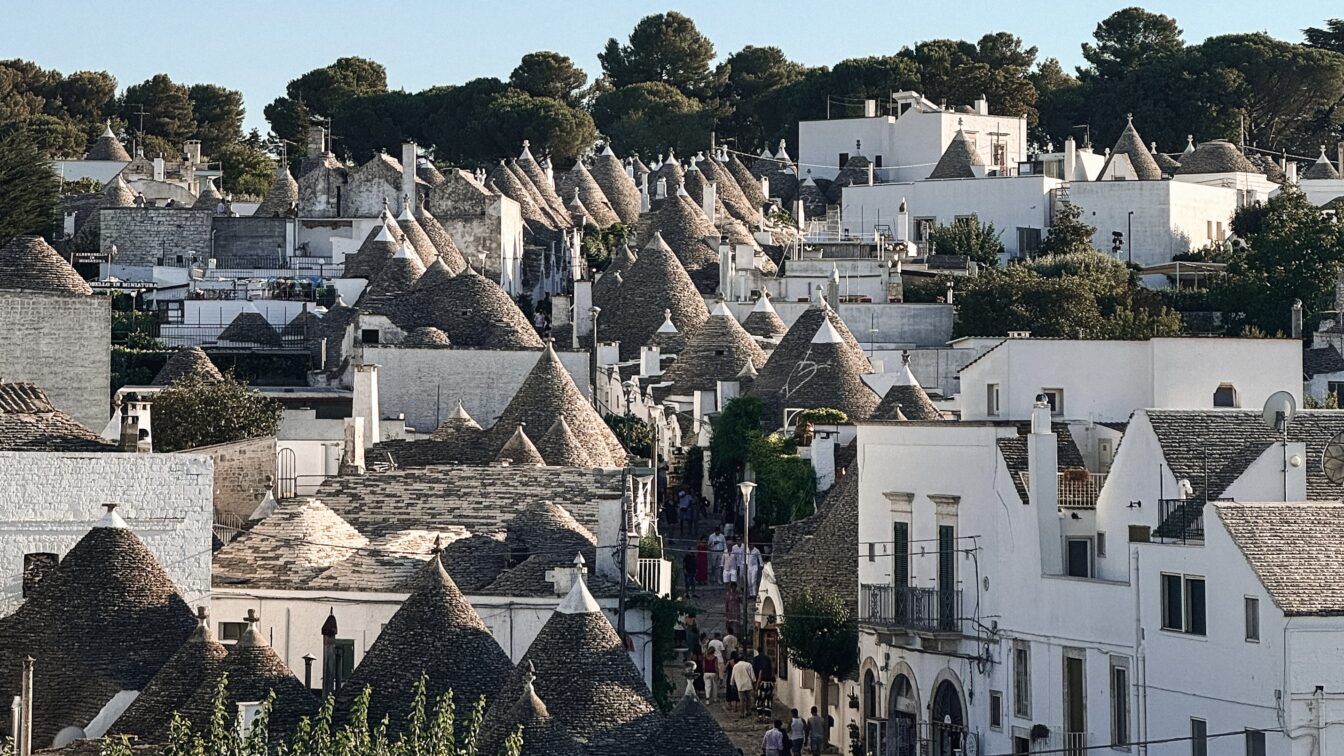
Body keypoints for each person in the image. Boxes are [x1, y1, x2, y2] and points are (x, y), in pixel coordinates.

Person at [731, 653, 756, 718]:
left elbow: (733, 676)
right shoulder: (748, 665)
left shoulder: (735, 666)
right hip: (748, 684)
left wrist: (732, 684)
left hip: (740, 685)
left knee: (741, 700)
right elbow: (752, 676)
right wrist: (754, 682)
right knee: (748, 699)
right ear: (744, 658)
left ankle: (742, 713)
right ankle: (748, 711)